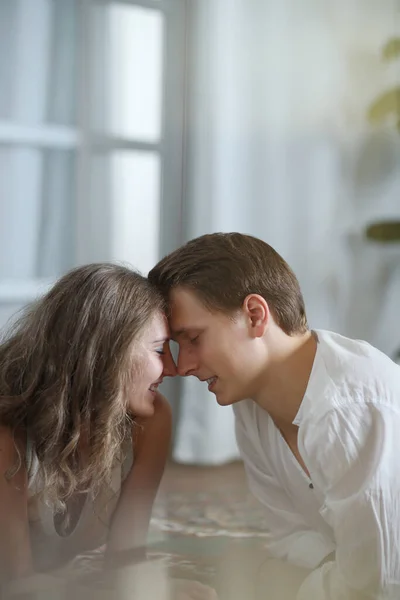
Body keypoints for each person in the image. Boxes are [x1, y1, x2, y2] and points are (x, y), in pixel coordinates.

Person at [149, 232, 400, 600]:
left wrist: (277, 581)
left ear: (255, 315)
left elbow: (378, 585)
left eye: (193, 339)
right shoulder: (251, 405)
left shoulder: (347, 409)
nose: (183, 365)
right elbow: (288, 535)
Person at [0, 263, 217, 600]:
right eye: (160, 350)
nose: (174, 369)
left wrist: (153, 589)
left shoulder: (151, 421)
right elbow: (17, 585)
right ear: (105, 352)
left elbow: (126, 559)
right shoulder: (8, 438)